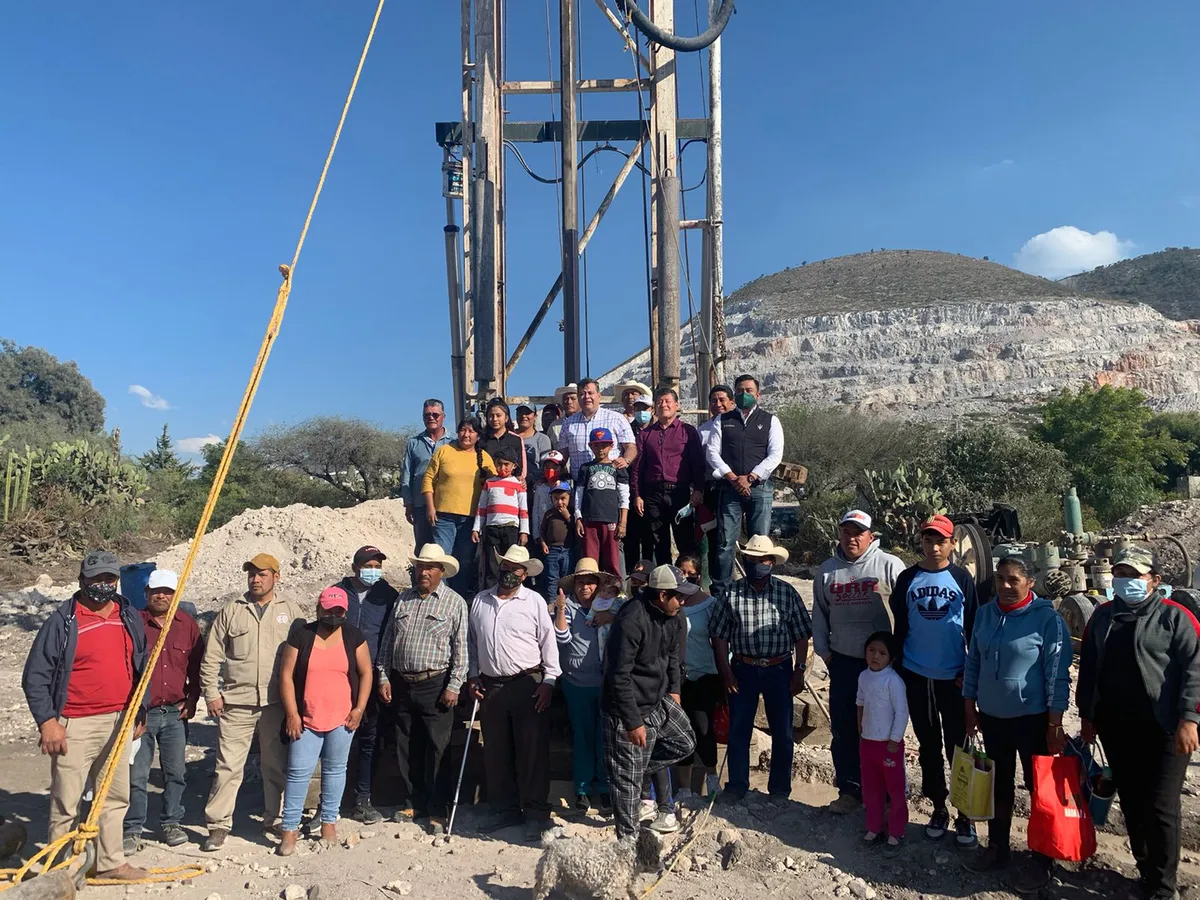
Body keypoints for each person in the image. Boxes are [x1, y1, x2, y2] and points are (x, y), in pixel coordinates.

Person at [1077, 546, 1200, 900]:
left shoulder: (1175, 618)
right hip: (1117, 728)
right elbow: (1088, 670)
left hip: (1165, 729)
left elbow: (1195, 669)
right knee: (1131, 800)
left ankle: (1163, 887)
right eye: (1120, 574)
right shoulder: (1102, 617)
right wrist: (1088, 716)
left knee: (1161, 806)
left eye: (1135, 575)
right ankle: (1145, 869)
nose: (1125, 581)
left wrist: (1189, 719)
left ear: (1155, 581)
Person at [22, 550, 150, 882]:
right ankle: (59, 869)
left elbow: (141, 665)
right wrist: (48, 721)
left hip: (119, 719)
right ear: (82, 580)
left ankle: (110, 862)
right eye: (96, 579)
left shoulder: (128, 615)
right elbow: (35, 675)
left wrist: (140, 710)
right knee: (66, 800)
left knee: (115, 795)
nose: (103, 585)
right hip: (74, 723)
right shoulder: (63, 621)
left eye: (109, 579)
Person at [962, 556, 1071, 890]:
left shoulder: (1047, 620)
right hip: (993, 719)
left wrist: (1054, 724)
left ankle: (1041, 859)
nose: (1006, 587)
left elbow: (1057, 675)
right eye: (1000, 579)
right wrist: (970, 708)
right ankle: (998, 847)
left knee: (1040, 791)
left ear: (1030, 583)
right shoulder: (984, 614)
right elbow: (973, 663)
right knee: (999, 786)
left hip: (1033, 720)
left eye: (1013, 580)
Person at [201, 553, 307, 851]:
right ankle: (218, 825)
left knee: (276, 764)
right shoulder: (232, 610)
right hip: (236, 703)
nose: (255, 579)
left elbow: (303, 657)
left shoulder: (291, 611)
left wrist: (297, 704)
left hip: (276, 703)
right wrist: (211, 692)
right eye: (252, 574)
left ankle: (275, 818)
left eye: (262, 574)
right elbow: (212, 656)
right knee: (228, 765)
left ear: (276, 576)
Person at [889, 515, 979, 849]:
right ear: (922, 542)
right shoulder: (908, 578)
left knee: (960, 747)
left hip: (953, 677)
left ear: (952, 544)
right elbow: (901, 624)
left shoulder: (962, 579)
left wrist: (970, 673)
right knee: (929, 744)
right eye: (928, 540)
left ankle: (965, 813)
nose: (934, 546)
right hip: (917, 673)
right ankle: (939, 807)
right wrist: (897, 667)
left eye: (941, 540)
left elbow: (972, 628)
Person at [812, 510, 905, 814]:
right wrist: (826, 654)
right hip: (844, 663)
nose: (851, 538)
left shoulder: (889, 565)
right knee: (843, 729)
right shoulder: (827, 570)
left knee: (882, 731)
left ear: (870, 536)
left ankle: (887, 795)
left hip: (882, 668)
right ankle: (850, 791)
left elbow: (905, 615)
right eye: (846, 532)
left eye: (858, 533)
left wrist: (899, 657)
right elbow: (820, 616)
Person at [466, 546, 561, 841]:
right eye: (506, 565)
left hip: (528, 684)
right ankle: (505, 809)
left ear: (525, 573)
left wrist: (549, 680)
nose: (510, 572)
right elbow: (471, 643)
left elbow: (549, 642)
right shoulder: (480, 601)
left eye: (517, 569)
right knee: (497, 751)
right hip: (491, 686)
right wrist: (471, 676)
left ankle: (535, 813)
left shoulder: (533, 602)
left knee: (532, 751)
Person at [710, 535, 811, 801]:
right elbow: (719, 635)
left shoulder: (786, 593)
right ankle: (737, 786)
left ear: (772, 562)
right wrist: (726, 671)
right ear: (746, 560)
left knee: (783, 732)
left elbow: (802, 634)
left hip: (779, 669)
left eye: (763, 560)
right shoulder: (731, 593)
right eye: (752, 560)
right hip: (742, 668)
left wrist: (799, 670)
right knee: (739, 729)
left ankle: (779, 790)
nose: (757, 564)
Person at [376, 544, 469, 835]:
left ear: (442, 572)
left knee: (437, 748)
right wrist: (383, 676)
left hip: (436, 683)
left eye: (430, 567)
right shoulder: (403, 598)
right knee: (406, 745)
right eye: (420, 567)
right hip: (402, 683)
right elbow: (388, 642)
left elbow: (462, 649)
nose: (424, 572)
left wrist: (455, 685)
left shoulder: (454, 603)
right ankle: (413, 802)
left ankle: (437, 809)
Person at [603, 565, 697, 840]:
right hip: (625, 709)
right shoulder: (631, 619)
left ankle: (634, 767)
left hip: (658, 701)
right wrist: (632, 722)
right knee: (627, 786)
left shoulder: (671, 615)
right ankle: (627, 845)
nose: (683, 602)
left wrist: (675, 691)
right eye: (678, 596)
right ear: (662, 594)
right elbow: (618, 676)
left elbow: (671, 657)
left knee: (685, 742)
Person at [276, 586, 372, 855]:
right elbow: (286, 676)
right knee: (298, 773)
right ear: (318, 609)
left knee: (335, 771)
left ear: (346, 611)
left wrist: (359, 708)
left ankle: (329, 822)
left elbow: (366, 673)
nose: (333, 615)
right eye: (328, 610)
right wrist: (293, 714)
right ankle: (290, 829)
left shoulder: (354, 636)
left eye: (338, 610)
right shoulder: (301, 636)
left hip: (342, 718)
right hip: (306, 719)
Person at [124, 569, 202, 854]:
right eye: (156, 591)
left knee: (176, 773)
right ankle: (132, 828)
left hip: (174, 713)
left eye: (168, 591)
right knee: (137, 775)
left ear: (175, 594)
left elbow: (197, 666)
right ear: (146, 593)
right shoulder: (133, 624)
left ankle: (171, 823)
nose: (162, 596)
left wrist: (193, 698)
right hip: (142, 714)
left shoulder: (187, 625)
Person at [330, 546, 400, 825]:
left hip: (371, 676)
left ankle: (363, 798)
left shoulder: (388, 595)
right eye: (368, 564)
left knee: (370, 738)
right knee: (337, 737)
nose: (374, 569)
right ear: (355, 566)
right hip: (337, 676)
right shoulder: (337, 592)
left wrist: (385, 676)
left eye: (377, 564)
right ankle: (333, 800)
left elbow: (391, 636)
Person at [706, 375, 785, 599]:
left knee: (760, 543)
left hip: (760, 489)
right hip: (729, 489)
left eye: (749, 390)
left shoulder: (771, 420)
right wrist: (732, 477)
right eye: (740, 390)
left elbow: (775, 455)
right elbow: (712, 452)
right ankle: (721, 593)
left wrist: (750, 478)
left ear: (758, 394)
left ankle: (759, 589)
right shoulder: (723, 420)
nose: (744, 394)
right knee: (724, 543)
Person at [553, 558, 617, 813]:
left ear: (598, 585)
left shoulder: (611, 606)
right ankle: (581, 788)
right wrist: (558, 610)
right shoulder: (566, 607)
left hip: (604, 682)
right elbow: (562, 636)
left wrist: (609, 617)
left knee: (604, 738)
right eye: (580, 582)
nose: (585, 587)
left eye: (590, 582)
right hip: (576, 682)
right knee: (582, 737)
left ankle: (603, 787)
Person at [630, 388, 706, 565]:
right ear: (655, 407)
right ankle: (666, 585)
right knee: (659, 542)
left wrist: (698, 489)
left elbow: (697, 463)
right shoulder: (646, 434)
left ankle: (689, 584)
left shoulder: (687, 431)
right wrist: (637, 495)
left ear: (676, 405)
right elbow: (638, 468)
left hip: (680, 493)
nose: (663, 404)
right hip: (653, 494)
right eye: (659, 402)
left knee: (685, 541)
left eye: (667, 401)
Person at [423, 417, 496, 597]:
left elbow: (496, 481)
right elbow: (428, 479)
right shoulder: (444, 451)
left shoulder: (483, 457)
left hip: (470, 519)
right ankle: (439, 596)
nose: (466, 434)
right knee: (441, 559)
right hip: (443, 517)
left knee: (464, 561)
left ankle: (458, 598)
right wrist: (430, 507)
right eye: (463, 430)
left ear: (478, 436)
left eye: (471, 431)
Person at [673, 554, 722, 802]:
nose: (685, 576)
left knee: (703, 729)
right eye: (681, 571)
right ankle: (683, 787)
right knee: (681, 731)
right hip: (679, 678)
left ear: (698, 575)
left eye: (690, 572)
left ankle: (711, 779)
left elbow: (721, 642)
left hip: (705, 675)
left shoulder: (711, 605)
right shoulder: (672, 603)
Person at [856, 632, 909, 855]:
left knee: (895, 790)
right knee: (871, 788)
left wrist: (895, 739)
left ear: (891, 658)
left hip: (889, 745)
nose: (875, 656)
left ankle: (896, 831)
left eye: (882, 653)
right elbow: (860, 702)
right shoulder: (863, 677)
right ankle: (873, 827)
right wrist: (860, 729)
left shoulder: (893, 681)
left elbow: (902, 712)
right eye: (871, 651)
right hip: (868, 742)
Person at [574, 427, 630, 577]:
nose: (600, 449)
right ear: (590, 446)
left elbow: (624, 496)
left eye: (604, 445)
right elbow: (579, 494)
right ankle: (591, 592)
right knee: (590, 561)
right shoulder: (585, 468)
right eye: (596, 445)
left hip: (611, 519)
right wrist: (578, 517)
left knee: (613, 560)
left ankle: (617, 593)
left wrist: (623, 521)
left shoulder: (618, 467)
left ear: (611, 446)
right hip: (590, 519)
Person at [473, 446, 530, 587]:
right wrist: (476, 528)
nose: (502, 467)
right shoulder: (489, 483)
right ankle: (491, 591)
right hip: (492, 528)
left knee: (510, 561)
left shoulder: (518, 484)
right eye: (499, 463)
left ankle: (510, 589)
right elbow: (482, 508)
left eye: (506, 464)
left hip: (511, 528)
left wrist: (524, 531)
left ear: (514, 466)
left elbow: (523, 509)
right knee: (492, 563)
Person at [558, 378, 636, 479]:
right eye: (582, 394)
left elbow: (631, 447)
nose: (587, 397)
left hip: (610, 483)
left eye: (590, 393)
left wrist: (626, 460)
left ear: (599, 396)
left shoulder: (617, 418)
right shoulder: (567, 424)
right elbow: (563, 454)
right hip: (580, 483)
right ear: (578, 397)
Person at [401, 399, 454, 549]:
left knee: (444, 549)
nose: (431, 418)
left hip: (446, 505)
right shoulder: (414, 443)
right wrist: (408, 504)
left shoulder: (454, 442)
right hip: (421, 504)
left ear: (443, 416)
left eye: (435, 414)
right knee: (423, 549)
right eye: (427, 415)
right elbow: (407, 475)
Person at [697, 385, 735, 588]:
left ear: (732, 402)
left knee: (731, 539)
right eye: (713, 401)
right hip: (711, 489)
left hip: (735, 487)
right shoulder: (702, 431)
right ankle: (716, 585)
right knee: (714, 540)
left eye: (722, 400)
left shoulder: (740, 427)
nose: (718, 404)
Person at [538, 481, 574, 601]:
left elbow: (576, 529)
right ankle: (552, 602)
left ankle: (566, 603)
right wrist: (543, 543)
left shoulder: (572, 513)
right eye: (556, 498)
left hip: (568, 550)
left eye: (563, 498)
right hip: (552, 550)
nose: (559, 502)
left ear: (569, 497)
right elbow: (542, 531)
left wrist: (567, 516)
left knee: (566, 577)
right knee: (552, 577)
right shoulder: (549, 513)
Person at [482, 399, 528, 483]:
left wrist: (519, 480)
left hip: (510, 486)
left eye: (498, 415)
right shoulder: (481, 440)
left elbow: (521, 468)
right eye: (491, 415)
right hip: (486, 486)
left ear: (506, 418)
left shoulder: (516, 439)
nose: (494, 419)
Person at [516, 404, 551, 485]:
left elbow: (546, 466)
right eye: (520, 412)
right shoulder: (509, 437)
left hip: (535, 486)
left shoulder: (543, 439)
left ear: (535, 416)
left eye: (527, 413)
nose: (524, 416)